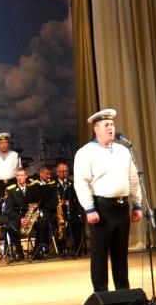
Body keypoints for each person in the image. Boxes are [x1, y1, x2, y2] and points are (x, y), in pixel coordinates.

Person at [73, 109, 143, 291]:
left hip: (121, 206)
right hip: (101, 207)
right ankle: (102, 294)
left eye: (112, 124)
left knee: (121, 253)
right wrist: (89, 209)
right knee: (100, 255)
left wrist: (137, 204)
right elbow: (81, 182)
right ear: (96, 128)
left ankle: (123, 293)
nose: (111, 128)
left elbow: (133, 179)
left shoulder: (123, 151)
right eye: (106, 125)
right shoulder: (86, 152)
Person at [3, 167, 43, 261]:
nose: (20, 177)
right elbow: (8, 210)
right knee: (9, 227)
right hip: (18, 217)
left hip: (30, 216)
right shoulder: (10, 190)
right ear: (16, 177)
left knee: (42, 224)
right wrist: (20, 219)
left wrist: (35, 211)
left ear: (26, 176)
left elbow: (37, 203)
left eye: (22, 175)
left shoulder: (32, 188)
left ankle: (37, 250)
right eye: (18, 175)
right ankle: (19, 250)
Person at [55, 161, 85, 257]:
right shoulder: (53, 184)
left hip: (71, 210)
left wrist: (70, 202)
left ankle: (77, 249)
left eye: (66, 171)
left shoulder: (72, 184)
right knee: (59, 224)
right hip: (57, 212)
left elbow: (77, 198)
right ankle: (62, 249)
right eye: (62, 171)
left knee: (77, 222)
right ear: (57, 173)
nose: (64, 173)